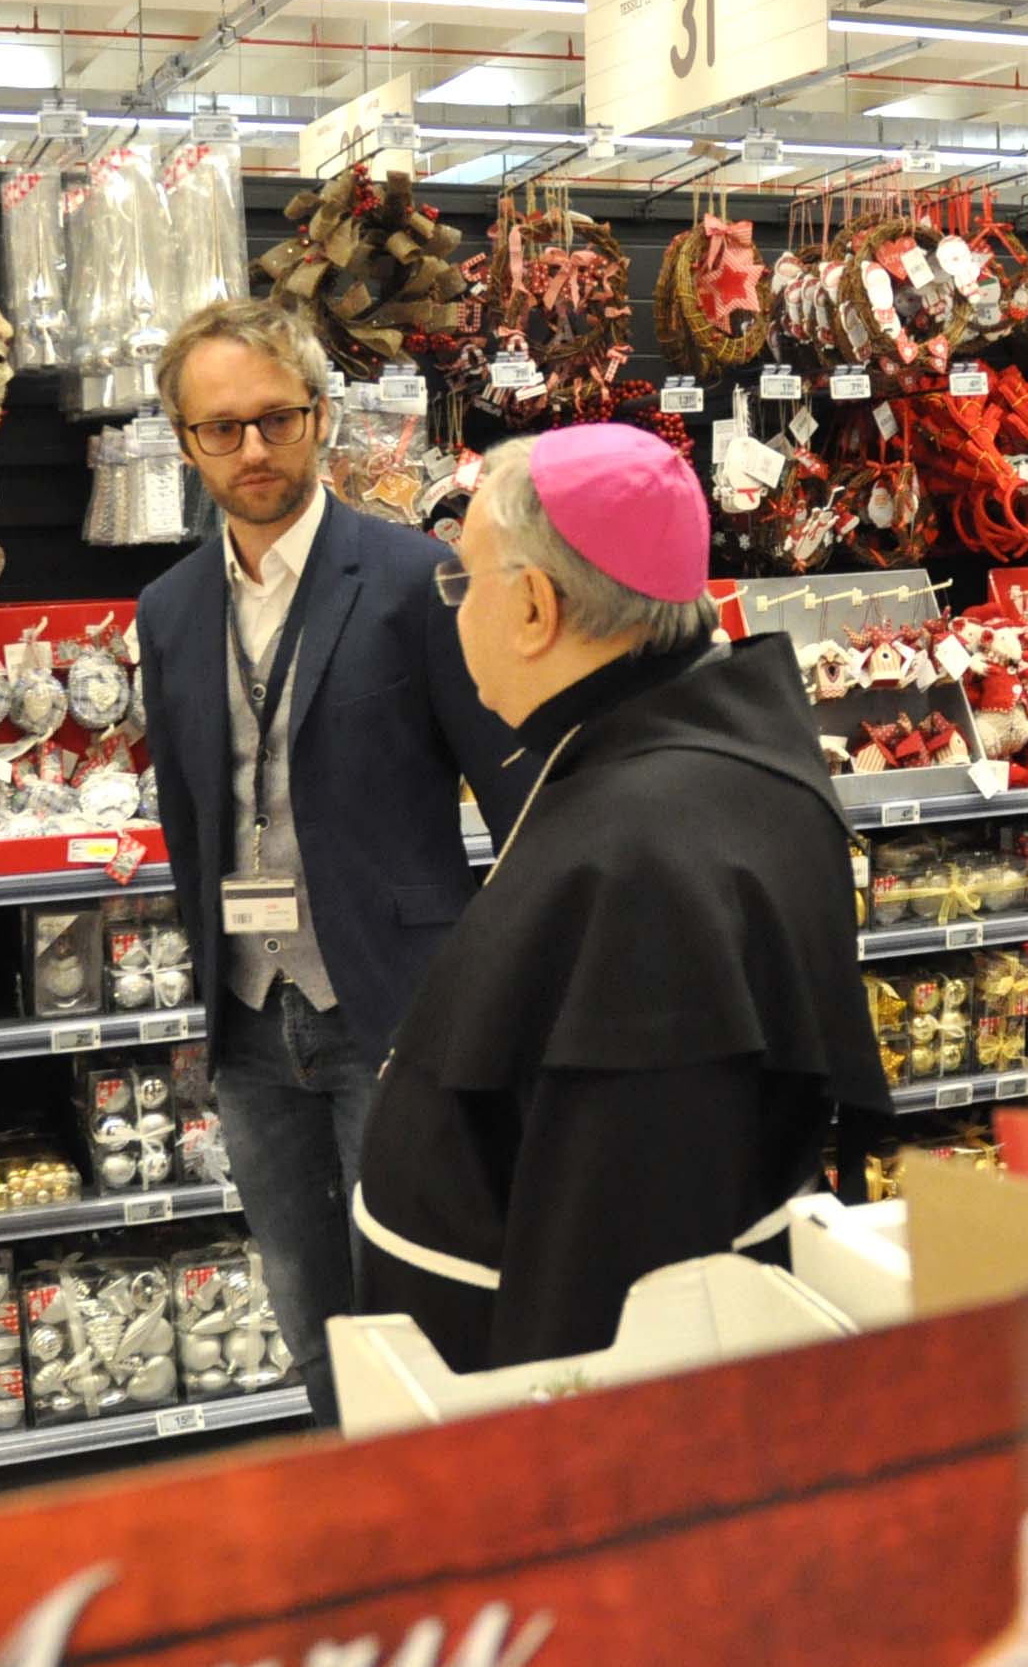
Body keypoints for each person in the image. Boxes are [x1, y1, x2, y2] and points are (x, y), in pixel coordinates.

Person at [350, 425, 886, 1377]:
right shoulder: (704, 756)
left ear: (533, 606)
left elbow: (616, 1264)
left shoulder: (641, 860)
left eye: (463, 581)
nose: (456, 608)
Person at [133, 300, 518, 1417]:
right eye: (221, 428)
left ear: (320, 415)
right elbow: (187, 815)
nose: (252, 449)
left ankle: (437, 1508)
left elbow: (515, 797)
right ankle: (354, 1505)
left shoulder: (416, 580)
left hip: (395, 1013)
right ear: (185, 441)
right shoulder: (169, 609)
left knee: (420, 1314)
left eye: (276, 418)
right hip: (252, 1028)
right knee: (311, 1323)